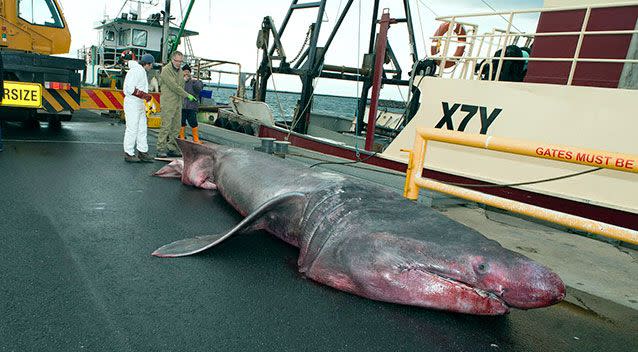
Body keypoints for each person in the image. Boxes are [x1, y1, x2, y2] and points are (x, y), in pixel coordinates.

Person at [156, 51, 197, 158]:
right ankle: (160, 148)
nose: (178, 63)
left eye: (180, 61)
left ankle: (172, 148)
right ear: (171, 59)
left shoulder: (180, 71)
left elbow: (180, 84)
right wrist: (187, 95)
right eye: (176, 61)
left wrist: (185, 79)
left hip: (178, 103)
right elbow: (174, 86)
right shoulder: (166, 70)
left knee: (176, 127)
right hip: (168, 102)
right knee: (166, 126)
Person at [122, 51, 155, 163]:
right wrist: (145, 96)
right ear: (148, 64)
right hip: (133, 103)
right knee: (132, 128)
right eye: (152, 65)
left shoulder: (138, 70)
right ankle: (129, 153)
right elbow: (130, 89)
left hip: (138, 103)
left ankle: (142, 151)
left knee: (142, 128)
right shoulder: (137, 71)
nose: (151, 67)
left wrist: (144, 97)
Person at [179, 64, 204, 143]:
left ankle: (196, 139)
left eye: (188, 73)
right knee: (181, 122)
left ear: (190, 73)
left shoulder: (194, 82)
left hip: (191, 107)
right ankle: (182, 137)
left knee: (193, 123)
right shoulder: (179, 82)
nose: (186, 74)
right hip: (181, 106)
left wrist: (195, 81)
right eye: (184, 73)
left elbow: (199, 88)